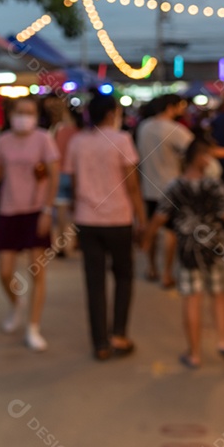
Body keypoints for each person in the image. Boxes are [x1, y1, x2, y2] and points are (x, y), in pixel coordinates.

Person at [143, 138, 224, 369]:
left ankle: (194, 354)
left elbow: (159, 219)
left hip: (187, 253)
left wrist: (146, 240)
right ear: (200, 157)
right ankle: (223, 341)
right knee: (218, 295)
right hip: (213, 250)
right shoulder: (213, 186)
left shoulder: (175, 186)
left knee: (192, 300)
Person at [64, 92, 146, 361]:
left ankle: (100, 343)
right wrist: (141, 220)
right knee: (123, 276)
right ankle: (119, 334)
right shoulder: (122, 140)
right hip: (119, 219)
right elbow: (132, 185)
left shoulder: (78, 142)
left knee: (94, 282)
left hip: (88, 220)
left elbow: (74, 186)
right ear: (111, 113)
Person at [0, 97, 60, 351]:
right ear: (11, 114)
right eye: (20, 112)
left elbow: (53, 175)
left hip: (36, 210)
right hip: (8, 210)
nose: (24, 116)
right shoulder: (2, 141)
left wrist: (47, 211)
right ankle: (17, 304)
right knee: (4, 271)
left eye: (29, 112)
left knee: (36, 271)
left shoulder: (43, 139)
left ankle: (33, 327)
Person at [137, 94, 193, 289]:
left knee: (152, 228)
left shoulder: (144, 127)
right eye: (180, 106)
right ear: (171, 107)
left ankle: (151, 268)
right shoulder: (175, 130)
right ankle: (167, 273)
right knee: (170, 232)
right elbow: (195, 150)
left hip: (148, 186)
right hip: (170, 188)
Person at [47, 97, 81, 256]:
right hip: (76, 173)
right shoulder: (78, 130)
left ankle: (61, 244)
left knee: (61, 211)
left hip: (59, 172)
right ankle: (77, 242)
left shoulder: (55, 130)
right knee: (77, 209)